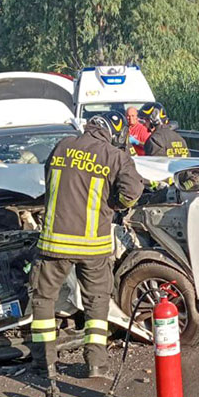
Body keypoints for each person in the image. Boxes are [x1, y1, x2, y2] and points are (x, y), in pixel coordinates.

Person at [30, 113, 143, 381]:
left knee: (43, 300)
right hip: (93, 246)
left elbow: (50, 181)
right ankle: (96, 363)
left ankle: (44, 363)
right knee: (96, 302)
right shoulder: (115, 157)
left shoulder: (62, 146)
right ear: (115, 134)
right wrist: (114, 205)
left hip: (53, 244)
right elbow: (132, 191)